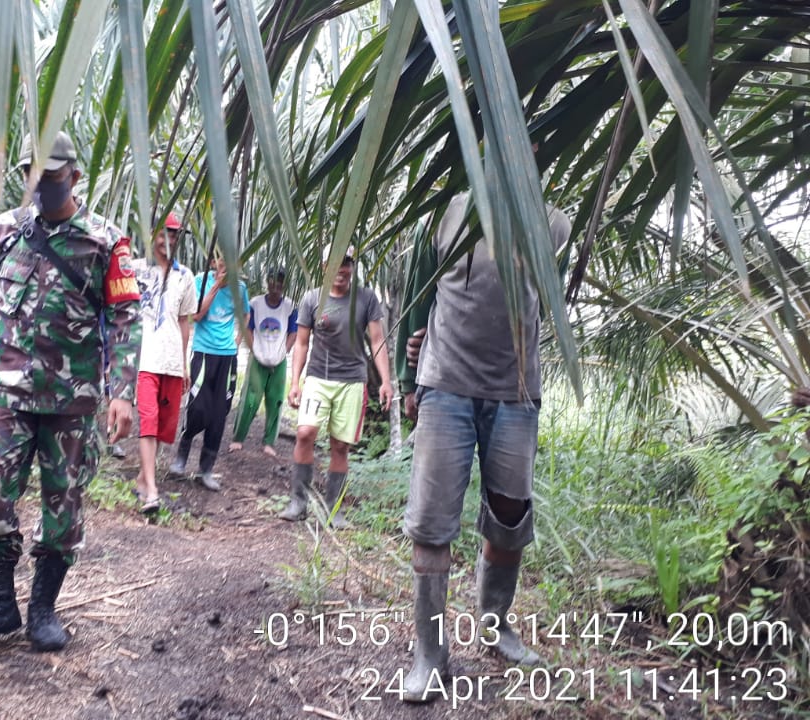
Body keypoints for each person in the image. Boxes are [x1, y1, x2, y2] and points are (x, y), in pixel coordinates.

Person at [0, 131, 140, 653]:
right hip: (7, 394)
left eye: (51, 179)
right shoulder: (3, 232)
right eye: (34, 177)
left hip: (71, 401)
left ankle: (43, 610)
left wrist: (122, 391)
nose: (42, 187)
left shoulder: (104, 241)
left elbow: (125, 318)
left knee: (63, 506)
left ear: (74, 176)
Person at [394, 192, 571, 702]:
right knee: (430, 522)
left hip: (516, 390)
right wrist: (409, 378)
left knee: (510, 517)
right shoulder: (446, 211)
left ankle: (494, 624)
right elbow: (416, 294)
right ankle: (429, 653)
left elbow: (547, 295)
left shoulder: (551, 221)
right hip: (445, 383)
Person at [280, 246, 394, 527]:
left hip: (352, 381)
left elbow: (377, 340)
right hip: (318, 378)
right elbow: (302, 343)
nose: (341, 269)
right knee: (305, 433)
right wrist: (295, 381)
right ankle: (298, 501)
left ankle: (335, 511)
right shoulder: (312, 299)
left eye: (346, 263)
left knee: (340, 446)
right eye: (335, 263)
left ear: (353, 265)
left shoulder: (366, 298)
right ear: (323, 266)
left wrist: (386, 381)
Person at [131, 212, 195, 514]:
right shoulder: (137, 270)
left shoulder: (186, 276)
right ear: (153, 234)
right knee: (148, 420)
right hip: (145, 358)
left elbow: (185, 322)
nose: (169, 239)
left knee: (160, 429)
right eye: (164, 233)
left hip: (170, 360)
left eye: (175, 234)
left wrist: (185, 365)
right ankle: (152, 491)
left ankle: (144, 478)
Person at [169, 254, 247, 490]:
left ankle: (206, 468)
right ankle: (182, 452)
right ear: (214, 264)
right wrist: (215, 286)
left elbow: (245, 314)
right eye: (222, 262)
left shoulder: (240, 288)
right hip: (203, 353)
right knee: (198, 406)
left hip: (227, 356)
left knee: (219, 410)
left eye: (230, 263)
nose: (226, 267)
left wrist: (237, 340)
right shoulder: (201, 280)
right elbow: (197, 315)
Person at [229, 267, 297, 457]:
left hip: (279, 361)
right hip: (258, 359)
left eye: (280, 281)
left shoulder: (289, 306)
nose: (276, 285)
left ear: (284, 285)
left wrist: (284, 351)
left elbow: (293, 332)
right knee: (250, 399)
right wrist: (254, 350)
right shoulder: (255, 304)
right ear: (267, 282)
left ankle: (269, 442)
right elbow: (247, 328)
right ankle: (238, 438)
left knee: (275, 400)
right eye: (273, 280)